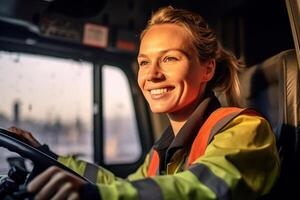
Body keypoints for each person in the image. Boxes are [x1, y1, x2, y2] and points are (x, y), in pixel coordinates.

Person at [8, 6, 280, 200]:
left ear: (207, 70)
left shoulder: (245, 130)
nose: (151, 75)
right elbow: (123, 186)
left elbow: (202, 189)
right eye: (144, 62)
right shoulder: (163, 149)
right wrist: (49, 157)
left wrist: (98, 196)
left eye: (170, 59)